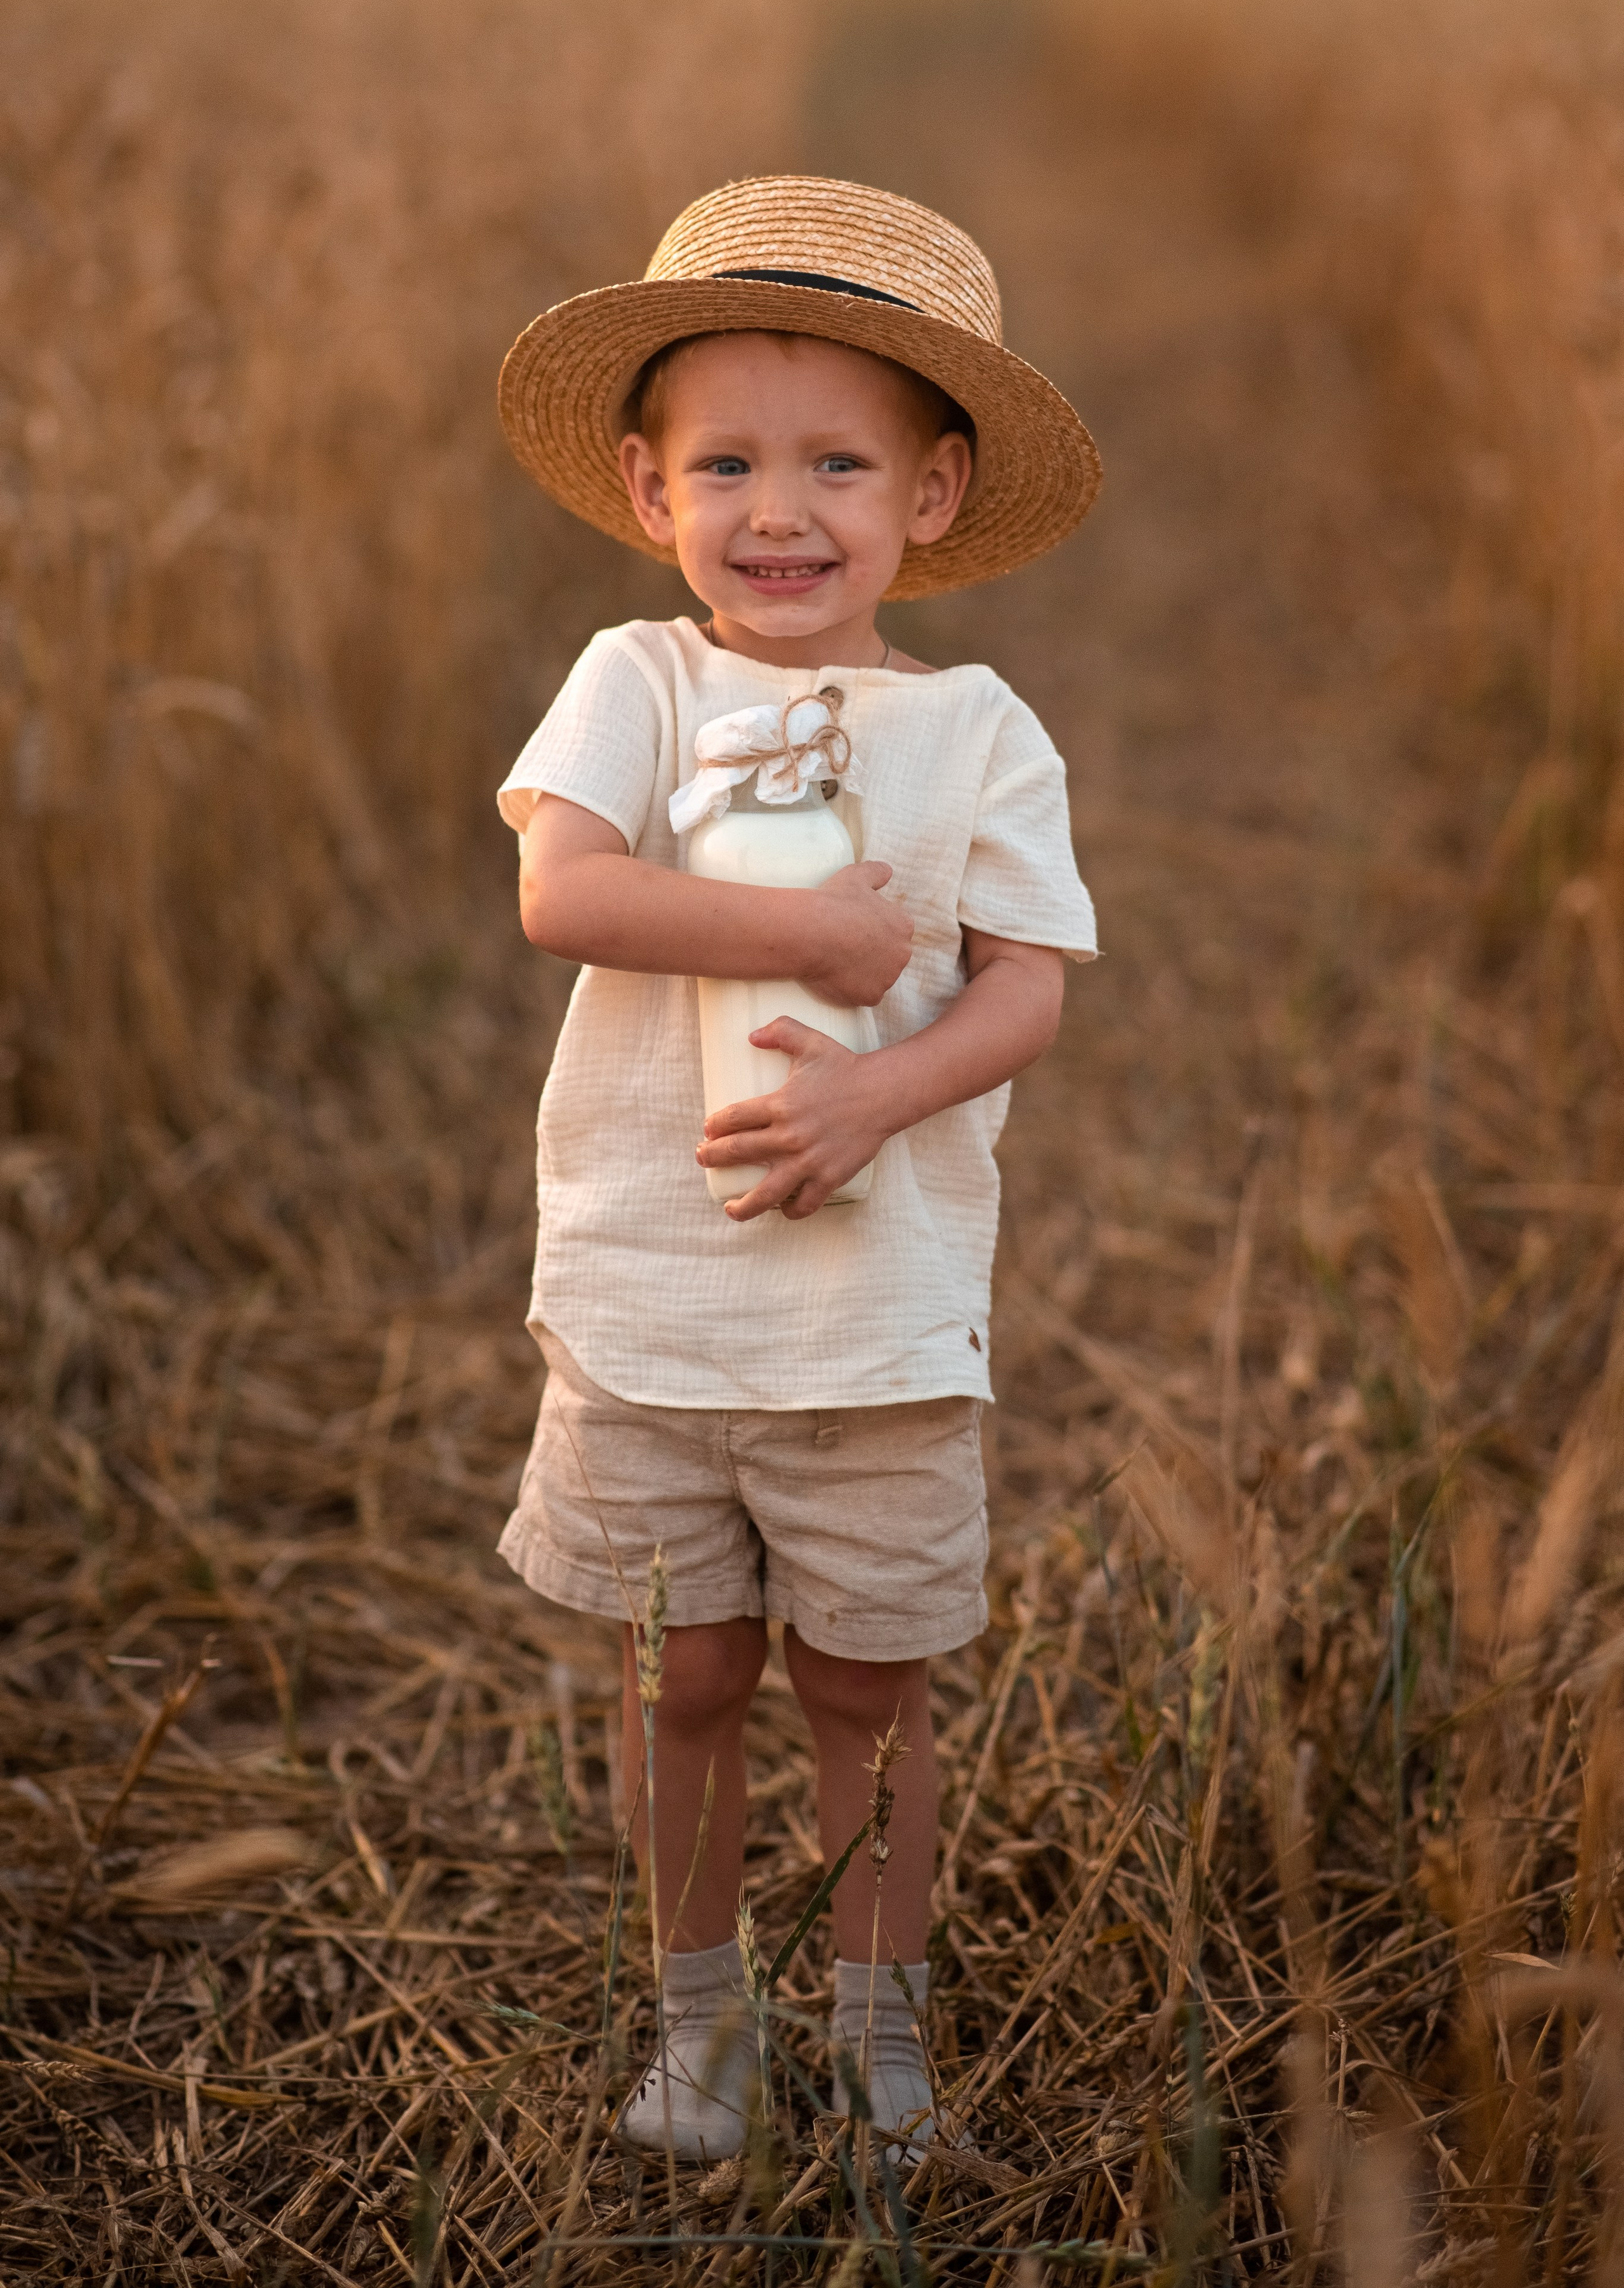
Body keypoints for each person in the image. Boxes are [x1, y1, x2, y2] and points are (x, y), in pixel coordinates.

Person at [492, 176, 1100, 2162]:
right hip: (658, 1299)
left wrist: (876, 1087)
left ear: (930, 498)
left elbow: (1028, 992)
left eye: (837, 463)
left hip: (880, 1320)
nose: (780, 511)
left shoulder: (983, 733)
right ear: (644, 481)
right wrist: (813, 945)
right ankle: (701, 2029)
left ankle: (877, 2021)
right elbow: (565, 893)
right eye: (728, 462)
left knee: (871, 1697)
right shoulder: (636, 682)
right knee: (689, 1689)